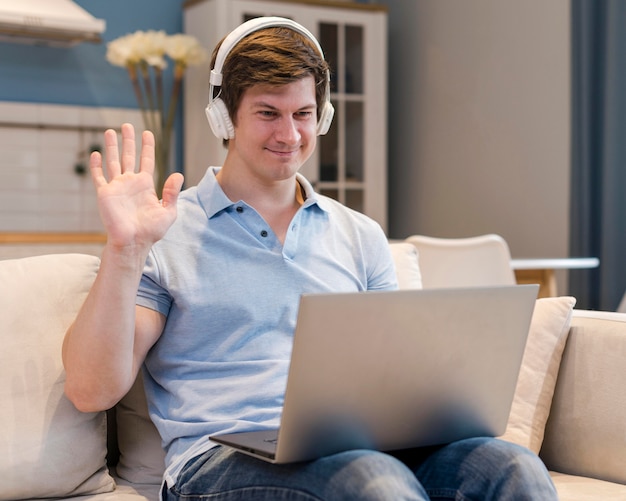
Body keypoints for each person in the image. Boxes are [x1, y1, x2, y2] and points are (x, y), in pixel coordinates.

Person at [62, 17, 558, 501]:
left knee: (509, 465)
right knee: (369, 480)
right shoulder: (168, 230)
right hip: (217, 463)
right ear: (224, 116)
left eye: (303, 114)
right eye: (268, 113)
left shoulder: (360, 235)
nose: (290, 135)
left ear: (322, 116)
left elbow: (397, 375)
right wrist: (125, 251)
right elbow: (91, 391)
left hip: (354, 449)